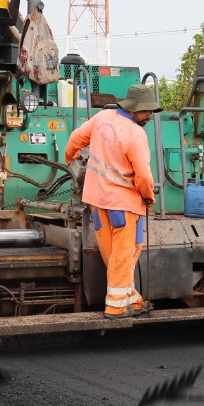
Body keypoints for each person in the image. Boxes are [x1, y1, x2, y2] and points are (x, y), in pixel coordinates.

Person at [64, 84, 158, 319]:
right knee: (124, 255)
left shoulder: (102, 117)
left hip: (98, 201)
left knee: (113, 255)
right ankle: (116, 306)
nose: (149, 115)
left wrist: (70, 156)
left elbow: (76, 138)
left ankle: (133, 300)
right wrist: (148, 196)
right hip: (124, 205)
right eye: (147, 111)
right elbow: (144, 175)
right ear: (134, 109)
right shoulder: (136, 134)